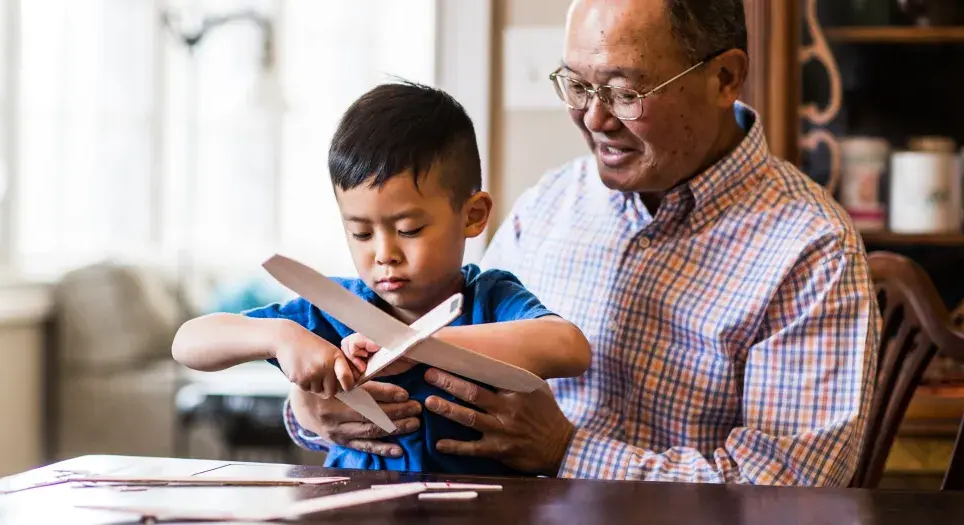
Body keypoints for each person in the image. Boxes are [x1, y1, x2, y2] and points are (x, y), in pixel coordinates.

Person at [279, 0, 880, 486]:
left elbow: (793, 493)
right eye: (577, 85)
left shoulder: (812, 250)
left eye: (624, 91)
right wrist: (318, 414)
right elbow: (442, 361)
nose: (593, 119)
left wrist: (566, 451)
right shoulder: (551, 205)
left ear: (724, 78)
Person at [171, 80, 592, 475]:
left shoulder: (490, 298)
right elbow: (188, 342)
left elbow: (569, 348)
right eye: (361, 233)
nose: (384, 254)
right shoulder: (334, 309)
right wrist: (280, 337)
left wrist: (418, 346)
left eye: (409, 230)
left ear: (473, 215)